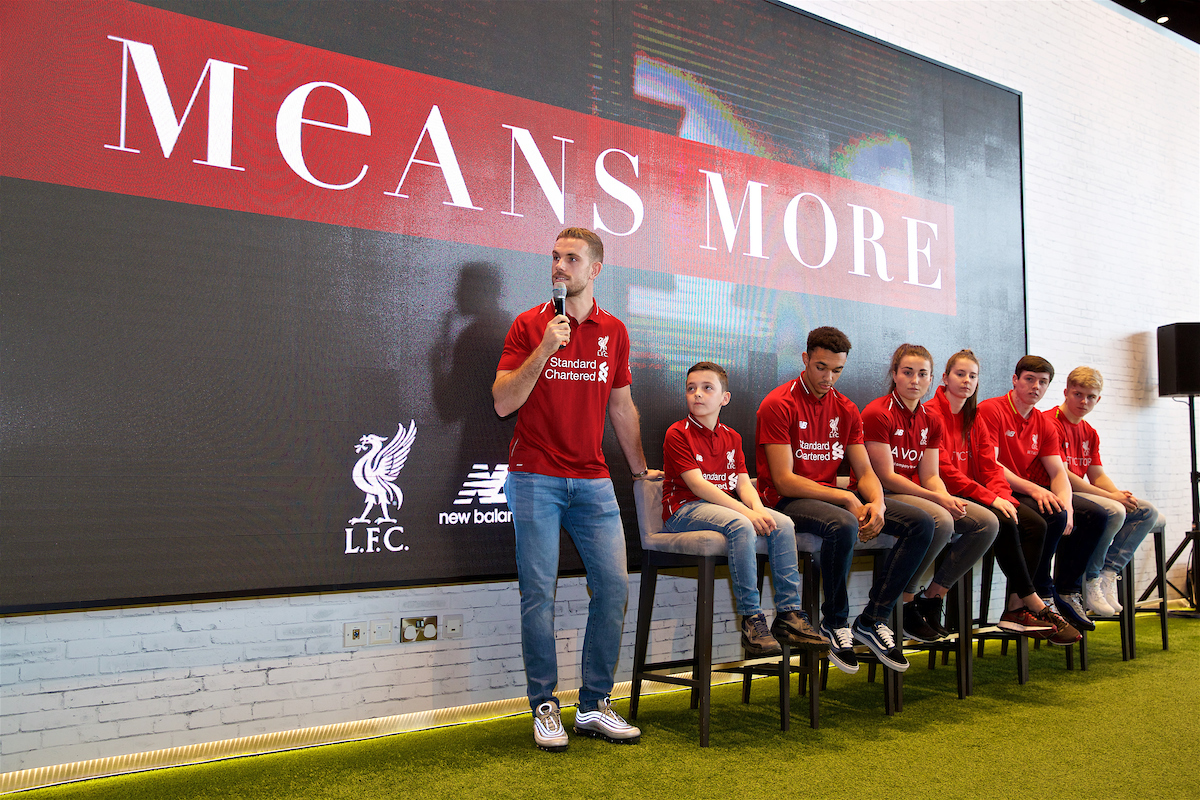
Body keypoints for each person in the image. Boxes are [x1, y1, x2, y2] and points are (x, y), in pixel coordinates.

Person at [493, 227, 659, 752]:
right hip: (535, 476)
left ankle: (592, 704)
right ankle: (544, 705)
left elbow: (621, 406)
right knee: (538, 594)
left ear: (596, 269)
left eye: (571, 258)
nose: (559, 266)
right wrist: (545, 347)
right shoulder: (529, 324)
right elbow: (502, 402)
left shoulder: (615, 330)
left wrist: (638, 468)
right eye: (555, 257)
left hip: (592, 481)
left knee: (612, 588)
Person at [756, 326, 934, 674]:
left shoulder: (846, 408)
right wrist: (847, 500)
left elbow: (866, 472)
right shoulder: (778, 404)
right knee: (844, 522)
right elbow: (785, 481)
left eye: (837, 370)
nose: (829, 377)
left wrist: (878, 504)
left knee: (921, 523)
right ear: (806, 359)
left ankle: (872, 618)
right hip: (784, 502)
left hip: (828, 498)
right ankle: (834, 622)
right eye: (821, 367)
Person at [661, 362, 824, 657]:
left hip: (723, 509)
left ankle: (789, 614)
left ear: (725, 398)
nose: (697, 394)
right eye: (691, 388)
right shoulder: (677, 433)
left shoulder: (731, 436)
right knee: (741, 524)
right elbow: (698, 487)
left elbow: (743, 483)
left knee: (783, 523)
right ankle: (752, 619)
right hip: (684, 510)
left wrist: (759, 510)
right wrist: (747, 515)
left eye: (707, 388)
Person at [927, 350, 1075, 644]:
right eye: (960, 374)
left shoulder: (972, 416)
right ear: (944, 378)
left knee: (1033, 522)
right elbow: (944, 470)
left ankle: (1017, 609)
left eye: (973, 376)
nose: (967, 381)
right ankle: (1032, 601)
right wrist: (993, 499)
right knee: (1003, 521)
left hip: (974, 492)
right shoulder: (932, 413)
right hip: (944, 493)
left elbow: (989, 466)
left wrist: (1005, 497)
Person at [861, 344, 999, 643]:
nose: (914, 380)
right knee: (941, 519)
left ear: (931, 378)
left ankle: (933, 596)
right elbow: (886, 476)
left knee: (986, 522)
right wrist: (938, 498)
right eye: (907, 372)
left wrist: (944, 495)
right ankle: (906, 602)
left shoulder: (931, 418)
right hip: (883, 493)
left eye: (922, 374)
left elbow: (931, 475)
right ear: (894, 374)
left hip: (917, 493)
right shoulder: (877, 412)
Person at [976, 355, 1104, 637]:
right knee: (1036, 523)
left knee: (1058, 514)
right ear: (1015, 380)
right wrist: (1034, 488)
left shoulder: (1043, 423)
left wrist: (1068, 506)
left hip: (1016, 490)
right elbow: (991, 464)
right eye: (1029, 379)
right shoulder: (991, 409)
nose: (1036, 386)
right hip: (990, 487)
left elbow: (1058, 472)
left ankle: (1038, 598)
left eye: (1042, 382)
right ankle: (1030, 600)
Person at [1047, 366, 1161, 615]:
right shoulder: (1051, 422)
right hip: (1061, 492)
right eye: (1078, 394)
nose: (1083, 401)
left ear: (1098, 399)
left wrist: (1121, 494)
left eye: (1090, 397)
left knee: (1146, 511)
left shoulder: (1089, 432)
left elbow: (1097, 475)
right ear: (1066, 392)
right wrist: (1112, 498)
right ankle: (1090, 578)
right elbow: (1065, 476)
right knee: (1115, 510)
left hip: (1086, 493)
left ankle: (1108, 573)